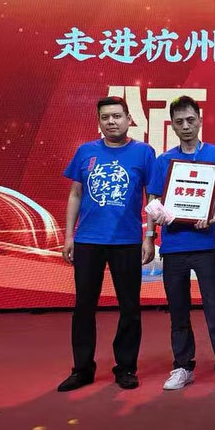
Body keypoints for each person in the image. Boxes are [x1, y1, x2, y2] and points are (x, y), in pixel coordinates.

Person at [147, 96, 215, 393]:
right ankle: (182, 367)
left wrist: (212, 213)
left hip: (206, 246)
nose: (186, 126)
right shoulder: (164, 161)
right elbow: (153, 199)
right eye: (179, 122)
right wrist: (153, 228)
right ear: (173, 126)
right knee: (178, 310)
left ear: (200, 121)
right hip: (173, 246)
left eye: (191, 120)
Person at [58, 96, 156, 391]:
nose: (111, 122)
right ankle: (82, 369)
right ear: (98, 122)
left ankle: (125, 367)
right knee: (84, 306)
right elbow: (76, 194)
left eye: (117, 116)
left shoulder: (144, 152)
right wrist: (68, 236)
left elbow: (152, 197)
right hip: (88, 240)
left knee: (130, 306)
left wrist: (149, 236)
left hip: (127, 240)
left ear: (129, 119)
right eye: (105, 117)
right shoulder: (85, 151)